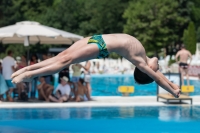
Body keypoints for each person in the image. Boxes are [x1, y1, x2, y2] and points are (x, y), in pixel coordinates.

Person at [11, 34, 181, 98]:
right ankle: (27, 69)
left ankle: (30, 75)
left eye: (156, 69)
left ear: (148, 71)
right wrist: (173, 84)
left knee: (65, 61)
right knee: (62, 56)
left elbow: (158, 78)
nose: (159, 66)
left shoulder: (140, 62)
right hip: (97, 38)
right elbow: (160, 76)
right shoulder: (144, 55)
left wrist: (172, 91)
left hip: (101, 47)